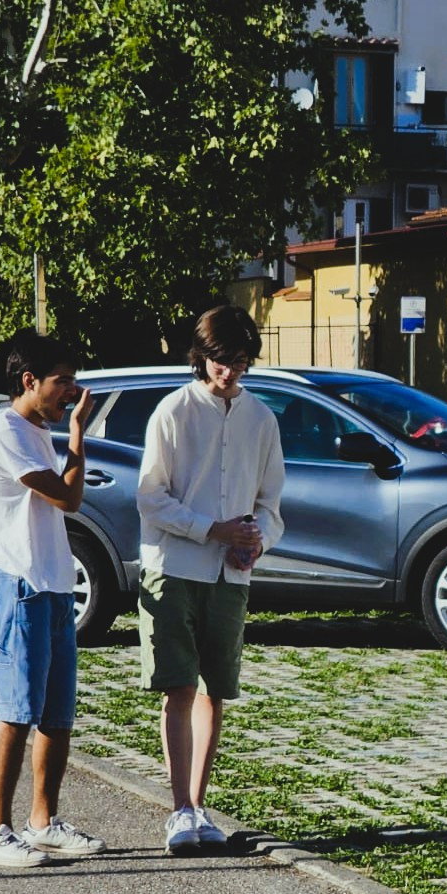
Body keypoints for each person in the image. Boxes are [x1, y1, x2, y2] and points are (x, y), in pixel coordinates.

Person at [136, 305, 284, 855]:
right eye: (222, 361)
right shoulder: (173, 412)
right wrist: (211, 530)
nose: (230, 373)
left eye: (241, 363)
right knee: (179, 685)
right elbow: (151, 498)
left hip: (230, 577)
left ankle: (199, 806)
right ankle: (178, 811)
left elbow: (271, 503)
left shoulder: (261, 419)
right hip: (174, 568)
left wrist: (256, 539)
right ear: (202, 356)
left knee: (214, 691)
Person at [0, 330, 106, 867]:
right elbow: (68, 497)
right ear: (29, 381)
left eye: (72, 381)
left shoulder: (33, 430)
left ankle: (42, 822)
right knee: (16, 712)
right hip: (17, 585)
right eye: (62, 381)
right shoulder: (4, 432)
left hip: (52, 586)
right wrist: (77, 436)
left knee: (57, 716)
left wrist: (65, 434)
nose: (71, 391)